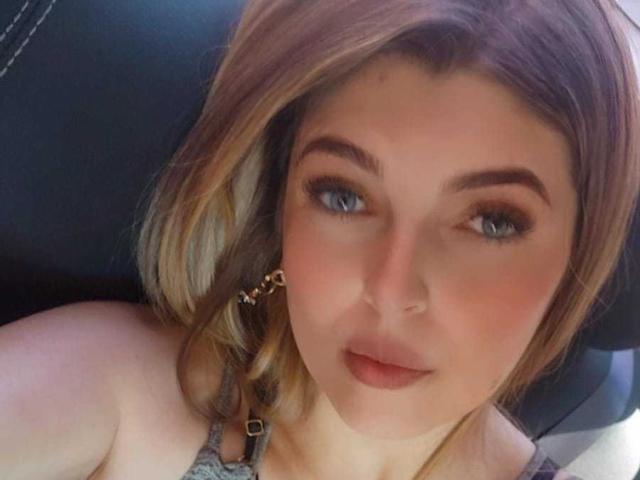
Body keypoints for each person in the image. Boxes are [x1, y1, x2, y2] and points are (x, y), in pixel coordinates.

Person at [1, 0, 638, 479]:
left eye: (493, 221)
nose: (391, 290)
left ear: (577, 253)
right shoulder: (128, 397)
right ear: (281, 204)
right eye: (343, 196)